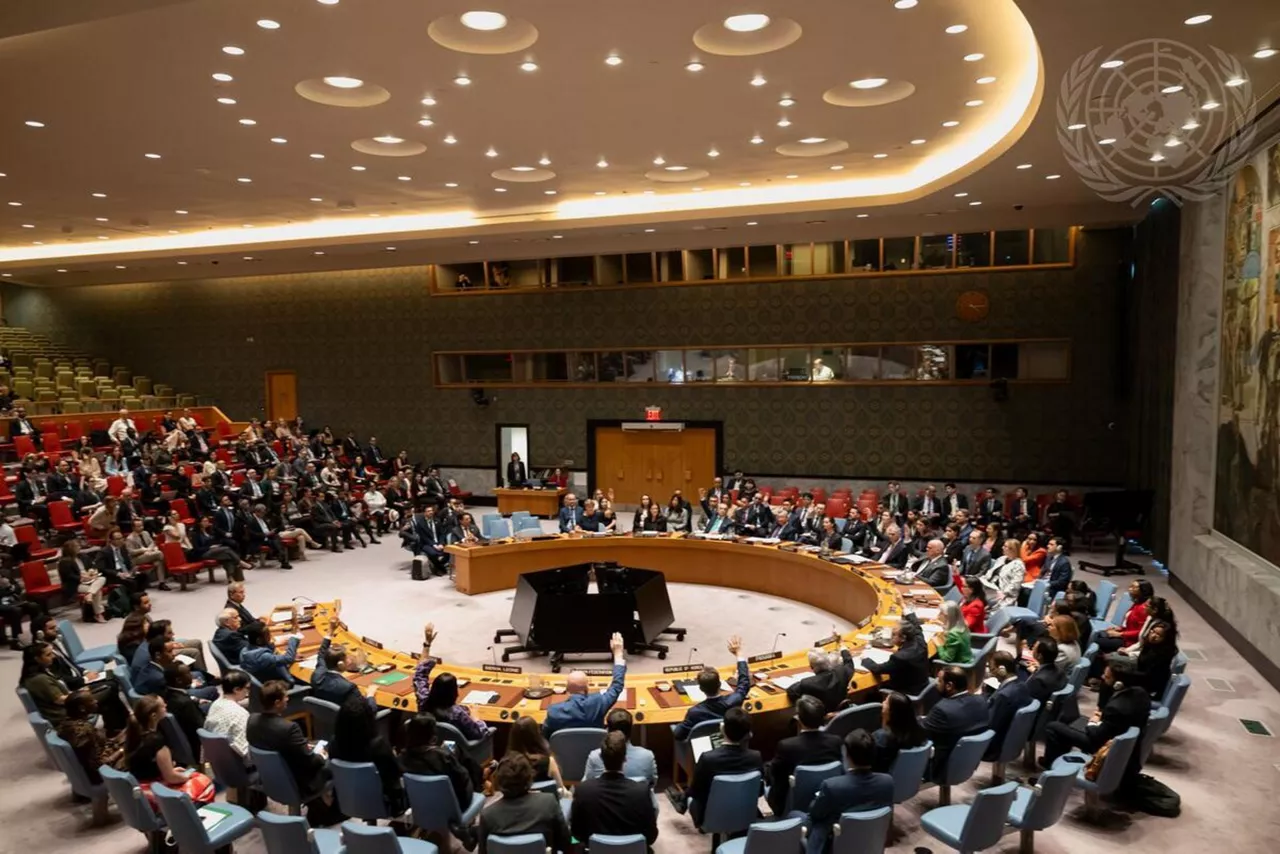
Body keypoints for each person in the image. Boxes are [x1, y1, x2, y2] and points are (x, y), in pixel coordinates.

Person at [248, 680, 341, 826]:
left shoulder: (251, 720)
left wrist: (304, 747)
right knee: (335, 758)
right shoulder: (289, 728)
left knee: (314, 745)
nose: (288, 699)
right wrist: (322, 755)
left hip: (270, 777)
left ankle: (318, 807)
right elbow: (310, 762)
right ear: (277, 702)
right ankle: (333, 813)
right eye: (285, 697)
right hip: (298, 781)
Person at [1040, 663, 1150, 772]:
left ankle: (1049, 767)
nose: (1102, 677)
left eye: (1106, 677)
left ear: (1118, 684)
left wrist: (1092, 722)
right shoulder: (1141, 693)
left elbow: (1096, 737)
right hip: (1123, 744)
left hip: (1102, 745)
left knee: (1053, 726)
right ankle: (1059, 763)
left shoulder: (1116, 708)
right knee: (1068, 724)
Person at [803, 730, 894, 854]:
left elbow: (815, 814)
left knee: (800, 816)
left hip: (837, 842)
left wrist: (818, 798)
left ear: (847, 755)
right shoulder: (888, 782)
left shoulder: (832, 786)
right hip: (871, 841)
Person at [668, 707, 763, 823]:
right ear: (749, 734)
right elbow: (760, 791)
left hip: (708, 816)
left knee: (688, 796)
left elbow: (695, 791)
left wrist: (685, 794)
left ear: (722, 728)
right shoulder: (756, 757)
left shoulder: (708, 758)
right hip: (744, 810)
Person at [571, 731, 659, 847]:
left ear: (601, 758)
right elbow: (651, 836)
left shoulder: (583, 790)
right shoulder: (642, 791)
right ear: (625, 759)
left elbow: (577, 833)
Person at [413, 623, 492, 741]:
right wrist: (476, 718)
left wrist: (427, 644)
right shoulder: (458, 714)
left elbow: (420, 674)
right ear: (454, 692)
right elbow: (479, 734)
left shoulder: (424, 701)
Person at [478, 754, 571, 854]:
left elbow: (483, 852)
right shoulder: (548, 802)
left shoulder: (487, 815)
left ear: (499, 782)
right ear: (529, 778)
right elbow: (565, 842)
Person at [767, 695, 844, 815]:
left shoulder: (787, 746)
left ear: (798, 719)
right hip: (825, 798)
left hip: (791, 802)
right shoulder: (835, 741)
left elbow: (776, 775)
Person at [542, 631, 627, 735]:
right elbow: (616, 687)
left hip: (564, 751)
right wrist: (618, 655)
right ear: (587, 689)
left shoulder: (553, 711)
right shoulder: (598, 703)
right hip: (596, 749)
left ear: (567, 689)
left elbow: (545, 736)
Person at [398, 713, 477, 821]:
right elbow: (462, 780)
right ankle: (481, 778)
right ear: (433, 739)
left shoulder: (401, 758)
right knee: (463, 764)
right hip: (455, 805)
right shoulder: (444, 757)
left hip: (419, 803)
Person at [673, 635, 750, 740]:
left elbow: (678, 734)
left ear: (701, 689)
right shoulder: (734, 700)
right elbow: (744, 682)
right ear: (720, 685)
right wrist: (739, 654)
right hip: (731, 740)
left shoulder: (694, 712)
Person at [922, 667, 990, 782]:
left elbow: (920, 734)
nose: (935, 683)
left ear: (949, 686)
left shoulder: (942, 709)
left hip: (939, 768)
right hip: (968, 763)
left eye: (939, 680)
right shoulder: (981, 701)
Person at [56, 691, 126, 785]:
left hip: (97, 758)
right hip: (102, 773)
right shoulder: (84, 732)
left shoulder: (65, 724)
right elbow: (99, 764)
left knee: (129, 732)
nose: (96, 701)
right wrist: (121, 751)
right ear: (82, 708)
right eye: (92, 700)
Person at [1089, 579, 1153, 680]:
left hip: (1130, 642)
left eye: (1133, 587)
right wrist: (1119, 628)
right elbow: (1130, 623)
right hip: (1124, 634)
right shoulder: (1137, 603)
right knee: (1098, 635)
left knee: (1097, 641)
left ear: (1142, 591)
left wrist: (1120, 634)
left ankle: (1098, 676)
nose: (1129, 589)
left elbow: (1141, 632)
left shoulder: (1143, 608)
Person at [583, 708, 659, 785]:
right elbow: (652, 783)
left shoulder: (594, 756)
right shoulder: (647, 756)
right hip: (638, 796)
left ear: (608, 730)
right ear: (632, 729)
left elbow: (587, 783)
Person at [983, 651, 1033, 760]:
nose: (991, 673)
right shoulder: (1023, 686)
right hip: (1011, 739)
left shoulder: (1003, 696)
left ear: (1002, 670)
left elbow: (991, 725)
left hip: (992, 747)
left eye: (992, 669)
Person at [861, 622, 931, 696]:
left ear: (903, 638)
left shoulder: (899, 657)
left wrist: (865, 659)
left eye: (894, 634)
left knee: (871, 694)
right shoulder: (920, 641)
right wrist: (909, 614)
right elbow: (917, 628)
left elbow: (878, 669)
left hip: (907, 692)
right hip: (922, 685)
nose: (891, 637)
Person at [870, 691, 928, 774]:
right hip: (908, 778)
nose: (882, 703)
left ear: (890, 712)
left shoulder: (880, 738)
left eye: (886, 702)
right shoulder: (917, 731)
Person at [787, 644, 857, 713]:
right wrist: (844, 650)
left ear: (811, 667)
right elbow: (849, 663)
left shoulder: (807, 683)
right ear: (828, 661)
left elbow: (791, 691)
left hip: (821, 721)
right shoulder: (842, 673)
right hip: (843, 717)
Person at [504, 716, 565, 788]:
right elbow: (560, 789)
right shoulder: (548, 762)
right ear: (537, 733)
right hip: (545, 798)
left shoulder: (506, 764)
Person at [164, 663, 208, 760]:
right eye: (188, 673)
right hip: (198, 745)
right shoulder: (186, 704)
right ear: (179, 680)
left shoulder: (167, 693)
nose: (192, 675)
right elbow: (202, 726)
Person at [204, 670, 252, 757]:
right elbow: (245, 752)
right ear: (237, 689)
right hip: (241, 765)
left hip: (219, 758)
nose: (248, 691)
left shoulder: (215, 704)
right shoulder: (241, 714)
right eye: (247, 688)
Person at [57, 539, 106, 622]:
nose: (79, 547)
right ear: (70, 549)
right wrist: (81, 578)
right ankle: (98, 614)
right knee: (97, 590)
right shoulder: (64, 561)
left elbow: (92, 566)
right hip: (75, 584)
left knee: (102, 578)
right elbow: (69, 576)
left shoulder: (83, 556)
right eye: (77, 546)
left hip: (89, 579)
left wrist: (92, 572)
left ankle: (90, 595)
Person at [977, 538, 1025, 609]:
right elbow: (990, 573)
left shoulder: (1018, 565)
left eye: (1005, 546)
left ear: (1013, 549)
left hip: (1004, 594)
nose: (1002, 548)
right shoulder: (1001, 559)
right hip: (990, 587)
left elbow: (1015, 584)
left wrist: (1004, 593)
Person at [1024, 638, 1068, 705]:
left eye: (1034, 648)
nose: (1032, 648)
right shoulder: (1060, 671)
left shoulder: (1037, 680)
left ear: (1039, 656)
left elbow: (1026, 699)